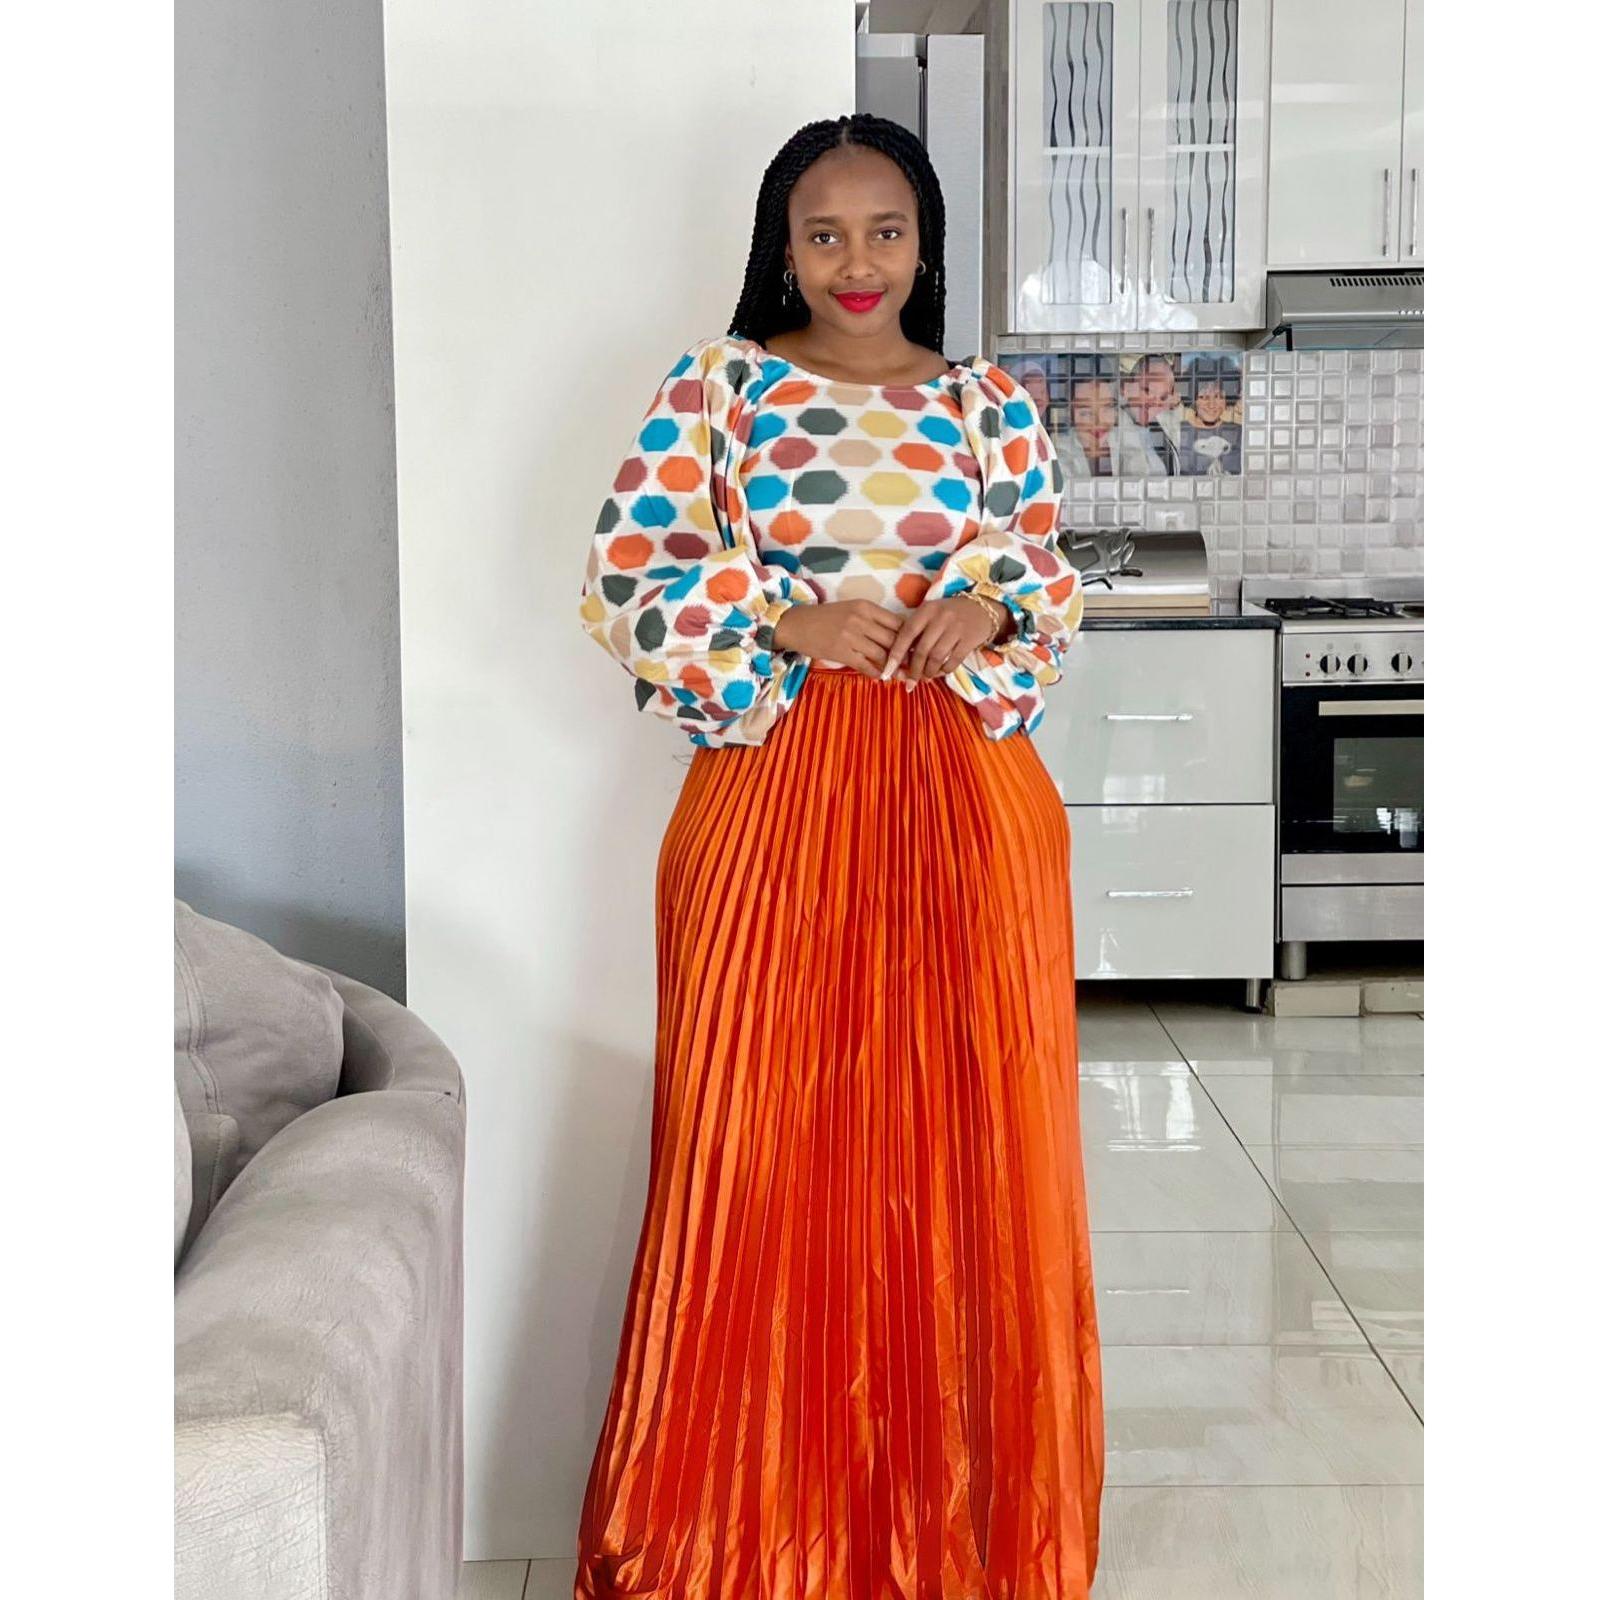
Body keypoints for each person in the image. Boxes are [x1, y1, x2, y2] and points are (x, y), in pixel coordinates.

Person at [575, 112, 1104, 1599]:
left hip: (968, 804)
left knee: (975, 1157)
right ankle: (748, 1534)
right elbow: (623, 578)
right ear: (783, 247)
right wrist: (781, 615)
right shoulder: (719, 391)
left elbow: (1046, 573)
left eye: (885, 231)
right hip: (775, 797)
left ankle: (961, 1535)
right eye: (824, 233)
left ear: (926, 242)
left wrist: (988, 608)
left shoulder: (992, 405)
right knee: (757, 1150)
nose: (855, 262)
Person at [1176, 351, 1244, 475]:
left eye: (1218, 396)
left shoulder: (1240, 432)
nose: (1211, 404)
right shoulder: (1177, 432)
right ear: (1193, 399)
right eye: (1204, 397)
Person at [1115, 352, 1183, 474]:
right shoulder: (1110, 432)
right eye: (1147, 390)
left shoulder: (1164, 429)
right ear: (1125, 386)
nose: (1155, 403)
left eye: (1163, 397)